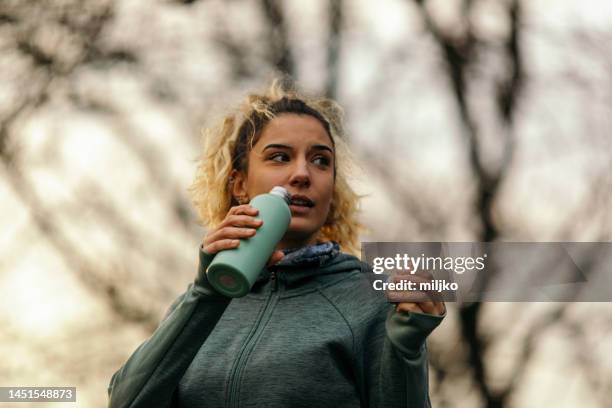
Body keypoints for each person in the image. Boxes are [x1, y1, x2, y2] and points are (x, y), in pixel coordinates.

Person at [107, 80, 446, 408]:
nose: (302, 174)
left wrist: (407, 350)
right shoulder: (200, 302)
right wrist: (206, 294)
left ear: (332, 190)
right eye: (280, 157)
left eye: (320, 161)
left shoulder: (370, 298)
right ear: (239, 184)